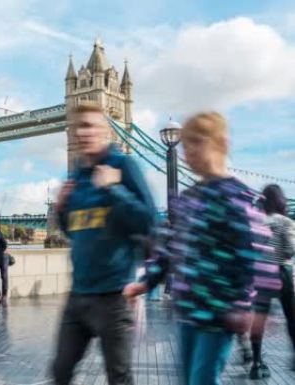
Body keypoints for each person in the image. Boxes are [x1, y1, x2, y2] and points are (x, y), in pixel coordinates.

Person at [123, 112, 272, 385]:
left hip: (219, 313)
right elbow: (170, 248)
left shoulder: (240, 197)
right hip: (187, 311)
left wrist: (252, 307)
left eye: (196, 143)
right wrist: (145, 283)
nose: (187, 152)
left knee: (202, 379)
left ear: (221, 144)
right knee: (188, 379)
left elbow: (256, 255)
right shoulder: (187, 198)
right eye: (184, 146)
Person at [52, 104, 155, 385]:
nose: (86, 132)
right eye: (80, 126)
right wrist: (61, 211)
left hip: (114, 296)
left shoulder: (124, 166)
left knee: (118, 378)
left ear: (106, 130)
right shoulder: (75, 177)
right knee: (60, 370)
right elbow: (77, 233)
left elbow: (149, 221)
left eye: (92, 125)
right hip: (78, 295)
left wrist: (114, 188)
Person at [244, 184, 295, 379]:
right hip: (282, 272)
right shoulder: (285, 222)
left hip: (261, 275)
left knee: (259, 320)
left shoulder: (258, 222)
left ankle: (256, 364)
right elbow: (290, 250)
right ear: (281, 200)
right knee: (291, 317)